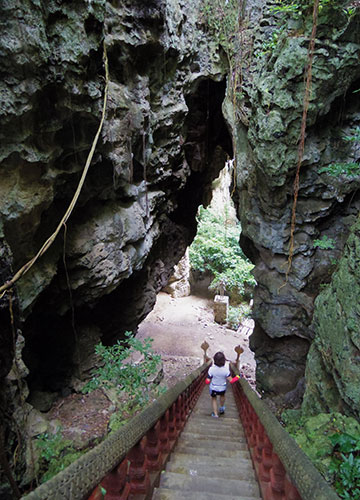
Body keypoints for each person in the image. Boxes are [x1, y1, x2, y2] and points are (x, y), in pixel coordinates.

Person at [205, 351, 240, 418]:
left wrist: (207, 381)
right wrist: (238, 377)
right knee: (222, 396)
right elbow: (231, 381)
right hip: (222, 388)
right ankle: (221, 407)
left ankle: (215, 414)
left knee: (214, 399)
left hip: (214, 387)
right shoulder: (226, 370)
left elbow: (208, 381)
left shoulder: (211, 369)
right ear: (224, 360)